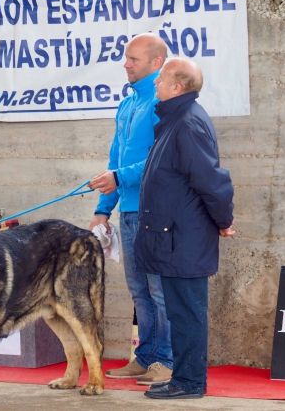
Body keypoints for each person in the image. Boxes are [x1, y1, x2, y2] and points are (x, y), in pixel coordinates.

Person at [136, 57, 235, 399]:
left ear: (176, 87)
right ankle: (183, 377)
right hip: (174, 238)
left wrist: (224, 220)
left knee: (187, 314)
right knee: (179, 313)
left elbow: (212, 181)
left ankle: (190, 383)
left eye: (160, 78)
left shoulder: (187, 124)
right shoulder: (174, 120)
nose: (155, 83)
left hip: (183, 239)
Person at [88, 33, 173, 385]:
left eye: (133, 59)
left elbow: (161, 161)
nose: (126, 64)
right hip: (128, 213)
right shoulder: (127, 104)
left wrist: (118, 176)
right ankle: (147, 356)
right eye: (126, 58)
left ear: (156, 63)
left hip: (157, 213)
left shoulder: (163, 100)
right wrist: (103, 210)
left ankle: (166, 362)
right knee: (139, 290)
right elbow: (115, 160)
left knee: (159, 290)